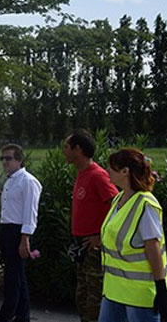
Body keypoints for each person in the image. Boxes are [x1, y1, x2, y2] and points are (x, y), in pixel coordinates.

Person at [99, 148, 167, 322]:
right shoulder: (119, 199)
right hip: (113, 290)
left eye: (111, 167)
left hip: (139, 295)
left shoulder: (146, 204)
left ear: (125, 172)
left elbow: (152, 247)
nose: (107, 171)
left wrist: (161, 289)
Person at [63, 129, 119, 322]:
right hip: (82, 246)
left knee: (93, 301)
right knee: (82, 297)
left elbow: (117, 206)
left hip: (93, 247)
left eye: (66, 147)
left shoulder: (97, 175)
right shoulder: (82, 174)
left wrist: (101, 236)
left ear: (77, 149)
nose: (64, 151)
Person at [0, 143, 42, 322]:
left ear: (20, 160)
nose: (5, 162)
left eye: (9, 158)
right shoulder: (10, 180)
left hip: (19, 231)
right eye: (3, 158)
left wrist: (25, 238)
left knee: (12, 279)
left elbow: (30, 213)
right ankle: (23, 316)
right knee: (17, 276)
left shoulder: (28, 181)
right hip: (7, 229)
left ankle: (6, 316)